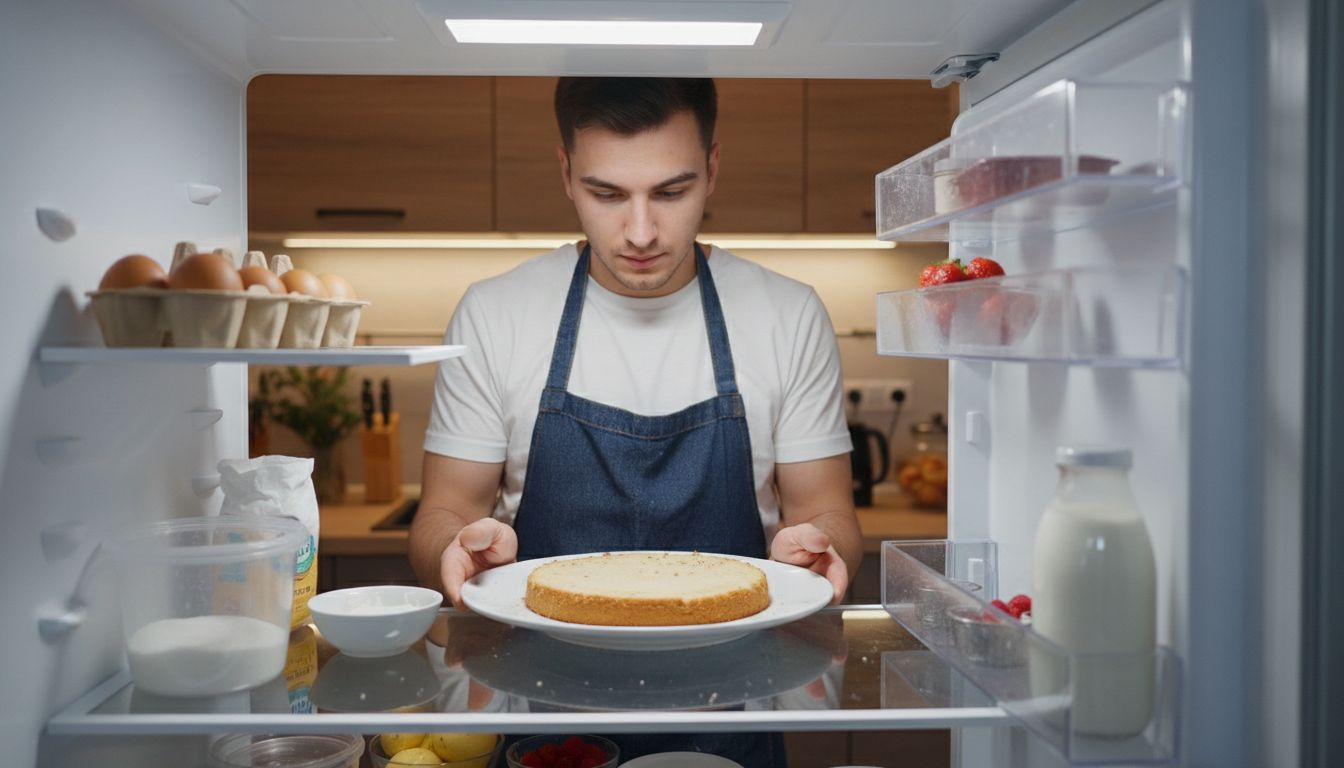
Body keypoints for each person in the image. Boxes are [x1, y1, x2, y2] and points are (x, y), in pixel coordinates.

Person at [409, 77, 861, 768]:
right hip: (539, 716)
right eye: (608, 193)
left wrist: (820, 550)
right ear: (566, 173)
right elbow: (442, 514)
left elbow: (829, 515)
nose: (642, 232)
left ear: (712, 169)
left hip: (735, 706)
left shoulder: (786, 314)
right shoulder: (496, 312)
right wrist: (455, 549)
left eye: (672, 192)